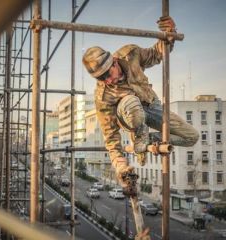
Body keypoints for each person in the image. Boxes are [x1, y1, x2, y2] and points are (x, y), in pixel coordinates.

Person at [82, 17, 199, 188]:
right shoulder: (103, 96)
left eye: (108, 74)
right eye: (101, 78)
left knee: (191, 136)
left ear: (114, 61)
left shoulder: (131, 54)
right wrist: (121, 166)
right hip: (130, 114)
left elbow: (155, 55)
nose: (107, 80)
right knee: (131, 102)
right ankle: (139, 134)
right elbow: (111, 138)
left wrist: (169, 35)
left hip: (151, 104)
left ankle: (145, 141)